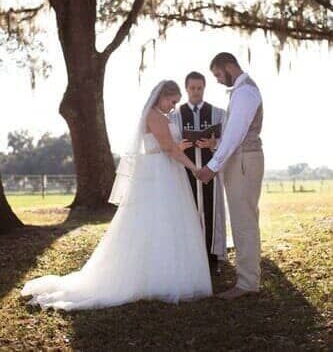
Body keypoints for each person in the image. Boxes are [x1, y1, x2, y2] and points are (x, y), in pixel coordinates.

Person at [21, 81, 212, 310]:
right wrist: (194, 168)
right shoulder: (155, 116)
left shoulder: (158, 116)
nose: (173, 107)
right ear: (162, 96)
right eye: (172, 101)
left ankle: (160, 273)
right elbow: (168, 150)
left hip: (165, 171)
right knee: (160, 219)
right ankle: (156, 277)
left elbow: (167, 147)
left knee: (164, 221)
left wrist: (179, 147)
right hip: (160, 174)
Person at [197, 53, 264, 300]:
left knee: (244, 221)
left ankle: (247, 283)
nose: (217, 80)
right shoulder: (241, 91)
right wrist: (217, 143)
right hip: (242, 159)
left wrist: (212, 166)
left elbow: (236, 134)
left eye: (217, 74)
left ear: (228, 66)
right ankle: (248, 279)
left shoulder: (245, 92)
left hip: (244, 160)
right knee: (243, 219)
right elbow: (234, 131)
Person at [170, 72, 228, 270]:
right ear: (186, 89)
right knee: (189, 211)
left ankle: (213, 257)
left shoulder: (218, 113)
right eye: (192, 88)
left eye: (199, 88)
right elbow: (167, 144)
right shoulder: (174, 116)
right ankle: (190, 257)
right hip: (185, 172)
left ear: (204, 88)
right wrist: (179, 145)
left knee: (212, 211)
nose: (196, 92)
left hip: (209, 169)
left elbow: (227, 141)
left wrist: (214, 143)